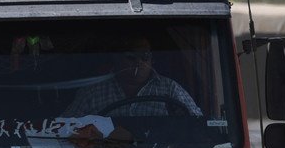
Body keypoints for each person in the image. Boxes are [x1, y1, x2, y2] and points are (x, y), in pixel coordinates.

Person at [61, 37, 202, 118]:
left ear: (152, 59)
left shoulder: (170, 88)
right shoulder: (92, 92)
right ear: (116, 59)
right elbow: (64, 126)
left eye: (144, 57)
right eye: (131, 57)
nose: (138, 63)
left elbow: (196, 122)